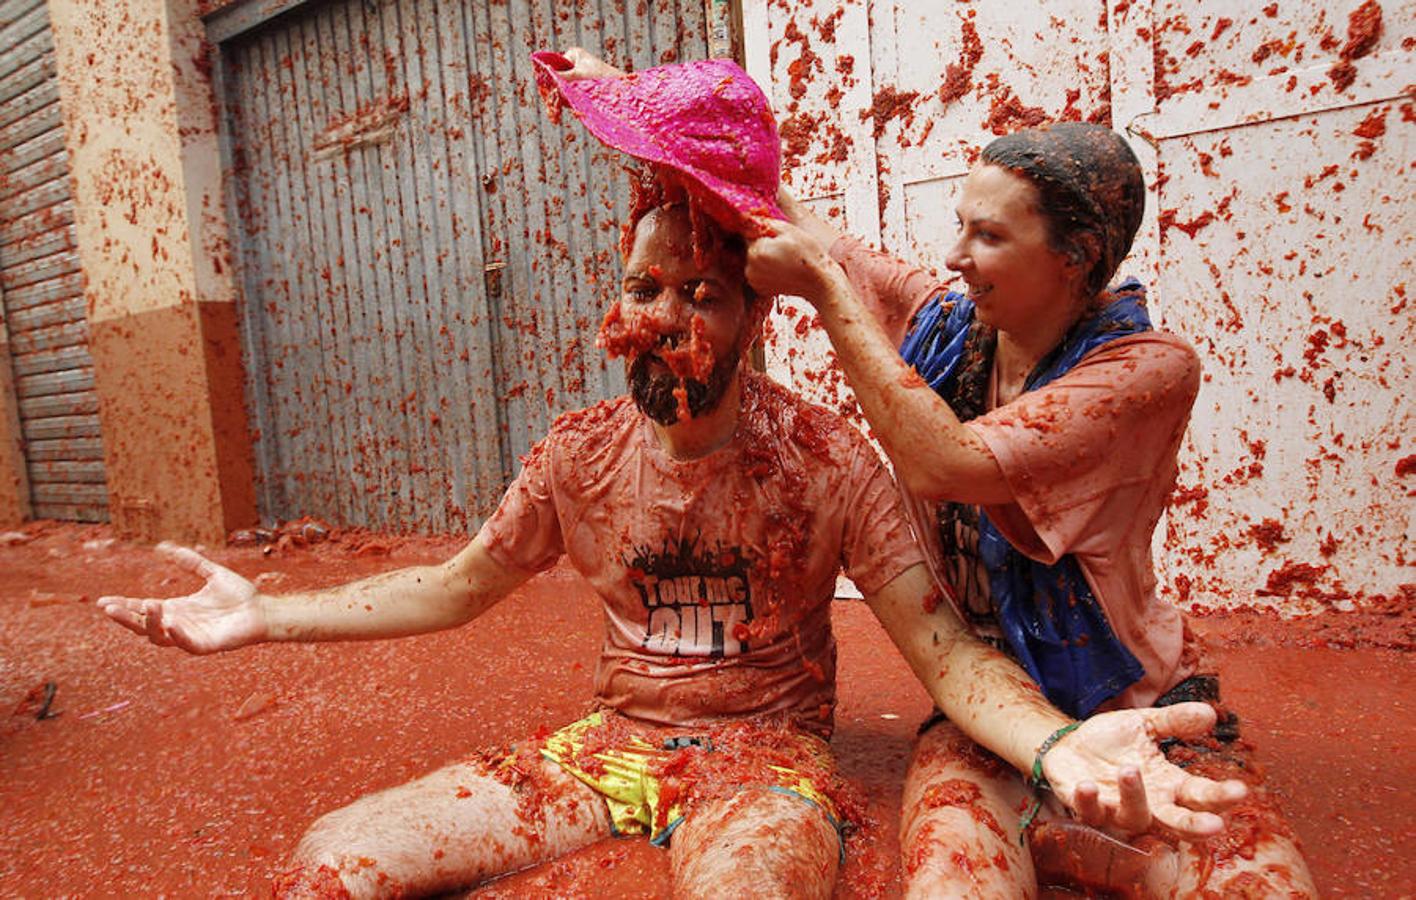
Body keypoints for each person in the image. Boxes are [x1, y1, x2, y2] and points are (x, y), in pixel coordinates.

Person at [98, 63, 1245, 899]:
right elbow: (452, 587)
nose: (668, 321)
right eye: (648, 292)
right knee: (331, 863)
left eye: (704, 296)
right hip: (605, 747)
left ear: (754, 316)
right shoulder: (575, 454)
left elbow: (944, 649)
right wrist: (260, 617)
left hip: (767, 765)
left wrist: (1050, 746)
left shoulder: (829, 459)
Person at [746, 121, 1318, 896]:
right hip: (996, 711)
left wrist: (825, 294)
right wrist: (656, 108)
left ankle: (1086, 836)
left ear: (1075, 257)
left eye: (987, 235)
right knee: (950, 879)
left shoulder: (1148, 373)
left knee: (1257, 882)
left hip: (1141, 713)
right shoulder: (950, 330)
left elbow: (943, 462)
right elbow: (810, 231)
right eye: (960, 226)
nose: (954, 257)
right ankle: (1058, 831)